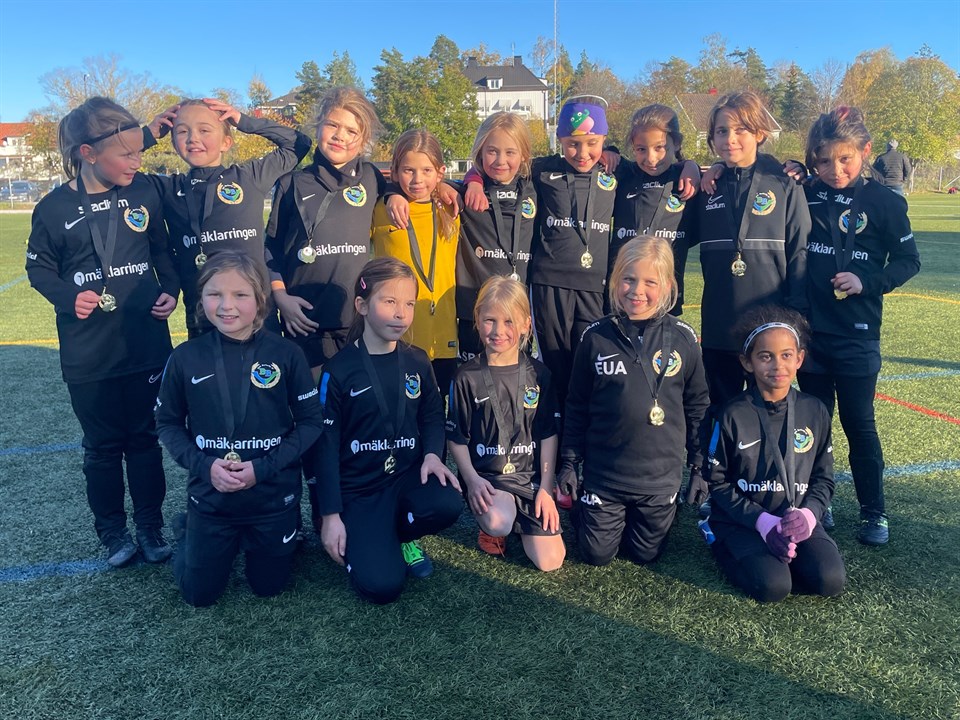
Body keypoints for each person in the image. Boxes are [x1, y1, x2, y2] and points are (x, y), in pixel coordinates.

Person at [26, 97, 178, 567]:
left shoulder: (144, 190)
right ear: (88, 154)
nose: (136, 162)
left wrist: (170, 289)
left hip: (146, 343)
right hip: (89, 353)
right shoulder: (53, 208)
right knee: (103, 449)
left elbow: (162, 250)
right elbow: (38, 268)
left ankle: (150, 526)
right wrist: (68, 296)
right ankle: (112, 533)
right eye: (127, 154)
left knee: (145, 440)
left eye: (139, 152)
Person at [155, 251, 323, 606]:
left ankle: (274, 532)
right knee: (199, 595)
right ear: (201, 299)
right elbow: (167, 423)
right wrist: (205, 466)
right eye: (215, 294)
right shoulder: (185, 357)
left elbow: (311, 422)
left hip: (272, 498)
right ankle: (190, 531)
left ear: (260, 300)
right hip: (212, 499)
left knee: (268, 587)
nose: (226, 306)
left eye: (240, 295)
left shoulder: (287, 354)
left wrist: (263, 468)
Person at [263, 87, 385, 532]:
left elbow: (416, 184)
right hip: (304, 326)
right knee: (312, 423)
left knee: (357, 420)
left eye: (352, 130)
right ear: (318, 126)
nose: (340, 136)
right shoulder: (291, 182)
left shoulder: (373, 178)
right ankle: (319, 512)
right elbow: (269, 249)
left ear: (364, 139)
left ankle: (358, 505)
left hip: (356, 327)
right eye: (333, 124)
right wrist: (280, 296)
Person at [799, 107, 920, 545]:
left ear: (865, 151)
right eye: (824, 161)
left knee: (859, 424)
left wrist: (867, 282)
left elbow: (908, 261)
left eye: (845, 159)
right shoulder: (804, 192)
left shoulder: (886, 202)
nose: (835, 170)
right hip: (810, 333)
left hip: (857, 335)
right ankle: (819, 503)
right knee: (813, 425)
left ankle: (874, 512)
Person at [314, 257, 463, 604]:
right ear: (362, 305)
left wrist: (432, 455)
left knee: (447, 503)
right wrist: (330, 516)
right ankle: (374, 538)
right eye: (390, 301)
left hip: (406, 479)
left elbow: (432, 415)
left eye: (409, 304)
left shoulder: (418, 360)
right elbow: (325, 445)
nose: (401, 314)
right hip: (361, 491)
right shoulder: (339, 369)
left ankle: (401, 536)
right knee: (382, 587)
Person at [559, 236, 709, 566]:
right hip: (606, 475)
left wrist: (699, 466)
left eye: (650, 282)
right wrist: (569, 462)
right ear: (615, 280)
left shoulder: (683, 338)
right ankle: (588, 508)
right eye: (628, 279)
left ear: (667, 285)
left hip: (658, 478)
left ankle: (661, 509)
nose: (637, 291)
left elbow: (697, 406)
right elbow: (577, 404)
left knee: (645, 554)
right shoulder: (595, 336)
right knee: (597, 554)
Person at [704, 307, 846, 602]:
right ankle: (716, 537)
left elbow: (823, 478)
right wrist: (762, 522)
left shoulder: (815, 410)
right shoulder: (732, 413)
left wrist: (808, 516)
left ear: (799, 358)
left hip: (794, 517)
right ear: (747, 362)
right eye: (765, 356)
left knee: (829, 581)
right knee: (774, 587)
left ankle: (788, 547)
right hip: (745, 520)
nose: (777, 365)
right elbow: (717, 482)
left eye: (786, 355)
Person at [147, 97, 312, 337]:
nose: (193, 138)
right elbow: (113, 161)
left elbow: (299, 144)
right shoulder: (168, 188)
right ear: (173, 143)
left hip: (258, 317)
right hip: (203, 320)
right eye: (182, 131)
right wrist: (148, 135)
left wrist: (243, 121)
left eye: (204, 130)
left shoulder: (250, 177)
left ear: (226, 142)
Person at [447, 276, 565, 570]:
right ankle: (497, 525)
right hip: (489, 479)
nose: (499, 331)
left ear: (526, 324)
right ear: (477, 320)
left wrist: (546, 489)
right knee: (498, 521)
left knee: (551, 561)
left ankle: (521, 519)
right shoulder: (466, 376)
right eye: (490, 320)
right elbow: (457, 437)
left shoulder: (539, 374)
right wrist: (472, 480)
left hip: (530, 479)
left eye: (509, 321)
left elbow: (548, 434)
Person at [371, 129, 460, 394]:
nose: (417, 179)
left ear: (440, 172)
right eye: (408, 170)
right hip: (397, 335)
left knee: (438, 412)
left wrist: (446, 187)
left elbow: (475, 182)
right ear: (395, 171)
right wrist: (390, 192)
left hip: (443, 336)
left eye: (427, 171)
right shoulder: (381, 210)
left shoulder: (451, 208)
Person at [453, 112, 538, 363]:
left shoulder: (536, 188)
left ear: (524, 155)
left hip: (516, 314)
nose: (501, 161)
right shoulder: (464, 193)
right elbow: (429, 183)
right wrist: (472, 181)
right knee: (473, 379)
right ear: (480, 152)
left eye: (510, 152)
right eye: (492, 151)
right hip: (475, 313)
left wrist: (609, 151)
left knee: (515, 379)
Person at [610, 104, 699, 315]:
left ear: (676, 143)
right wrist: (609, 151)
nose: (651, 158)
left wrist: (692, 165)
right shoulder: (624, 175)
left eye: (660, 148)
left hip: (666, 300)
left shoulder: (687, 182)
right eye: (641, 149)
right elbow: (598, 156)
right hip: (623, 297)